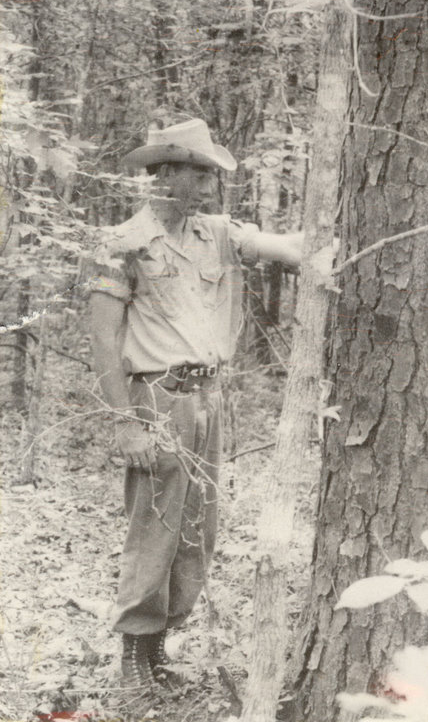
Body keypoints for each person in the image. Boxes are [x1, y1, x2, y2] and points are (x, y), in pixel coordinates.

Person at [88, 117, 303, 692]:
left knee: (196, 529)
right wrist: (126, 423)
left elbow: (292, 250)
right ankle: (134, 657)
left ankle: (158, 650)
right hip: (157, 400)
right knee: (155, 526)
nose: (209, 186)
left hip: (211, 397)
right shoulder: (122, 245)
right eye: (199, 173)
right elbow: (104, 339)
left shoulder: (218, 234)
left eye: (211, 175)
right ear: (165, 174)